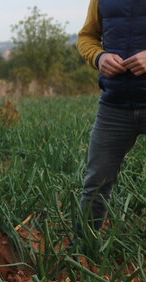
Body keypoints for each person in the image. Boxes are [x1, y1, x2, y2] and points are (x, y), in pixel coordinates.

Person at [77, 0, 146, 234]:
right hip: (114, 105)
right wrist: (99, 57)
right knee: (96, 183)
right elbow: (87, 36)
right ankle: (84, 250)